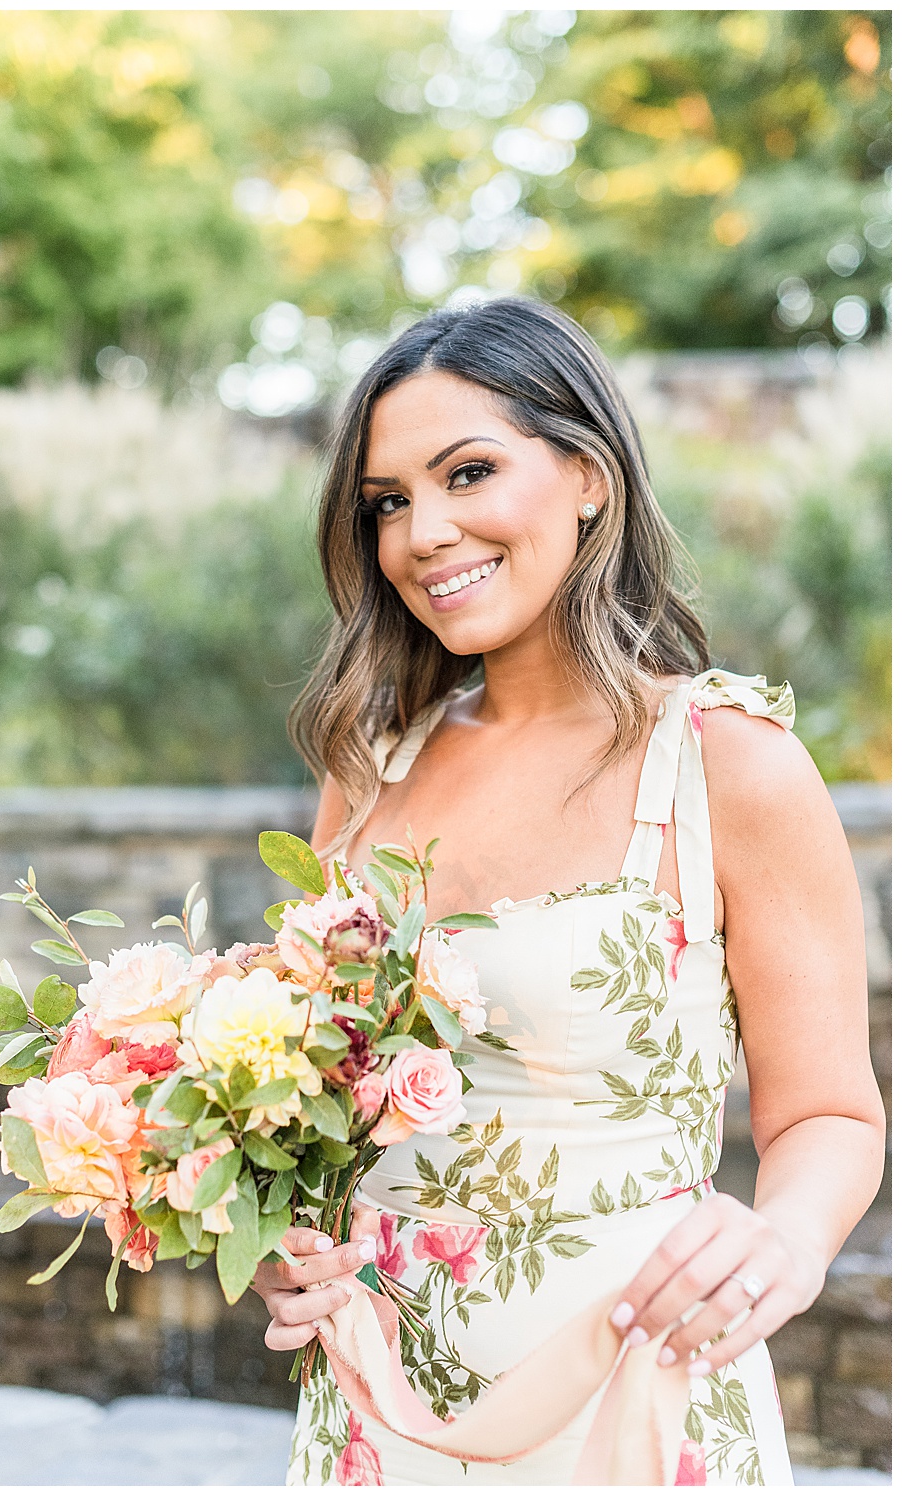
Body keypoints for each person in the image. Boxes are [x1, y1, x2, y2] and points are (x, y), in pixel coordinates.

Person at [256, 298, 884, 1484]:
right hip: (373, 1405)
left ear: (588, 475)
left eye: (467, 473)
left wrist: (783, 1239)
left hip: (630, 1384)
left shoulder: (723, 763)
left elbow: (831, 1115)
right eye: (387, 501)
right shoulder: (363, 763)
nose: (423, 532)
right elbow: (311, 1109)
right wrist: (283, 1248)